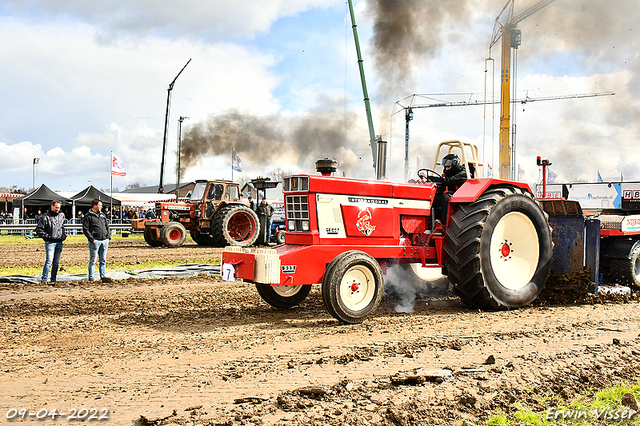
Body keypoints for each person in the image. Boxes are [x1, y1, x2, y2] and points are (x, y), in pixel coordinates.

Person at [423, 153, 468, 227]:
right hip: (451, 196)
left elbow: (448, 181)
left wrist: (429, 177)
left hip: (461, 198)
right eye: (445, 167)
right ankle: (429, 223)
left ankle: (444, 225)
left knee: (445, 197)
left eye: (448, 167)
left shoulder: (463, 173)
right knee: (432, 197)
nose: (446, 169)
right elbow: (442, 186)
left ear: (455, 165)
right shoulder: (448, 174)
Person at [35, 200, 67, 285]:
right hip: (50, 242)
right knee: (49, 261)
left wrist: (63, 235)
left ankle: (53, 279)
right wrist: (47, 236)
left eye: (59, 208)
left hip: (59, 241)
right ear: (52, 206)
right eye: (56, 207)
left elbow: (62, 227)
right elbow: (39, 229)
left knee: (56, 262)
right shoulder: (45, 217)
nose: (57, 209)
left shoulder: (61, 216)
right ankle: (44, 279)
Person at [82, 199, 112, 282]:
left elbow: (107, 226)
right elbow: (85, 229)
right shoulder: (88, 216)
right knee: (93, 260)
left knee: (103, 260)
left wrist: (108, 237)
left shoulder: (102, 215)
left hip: (104, 241)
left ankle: (103, 276)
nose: (101, 207)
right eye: (100, 205)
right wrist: (92, 239)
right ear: (94, 205)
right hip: (95, 241)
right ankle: (91, 277)